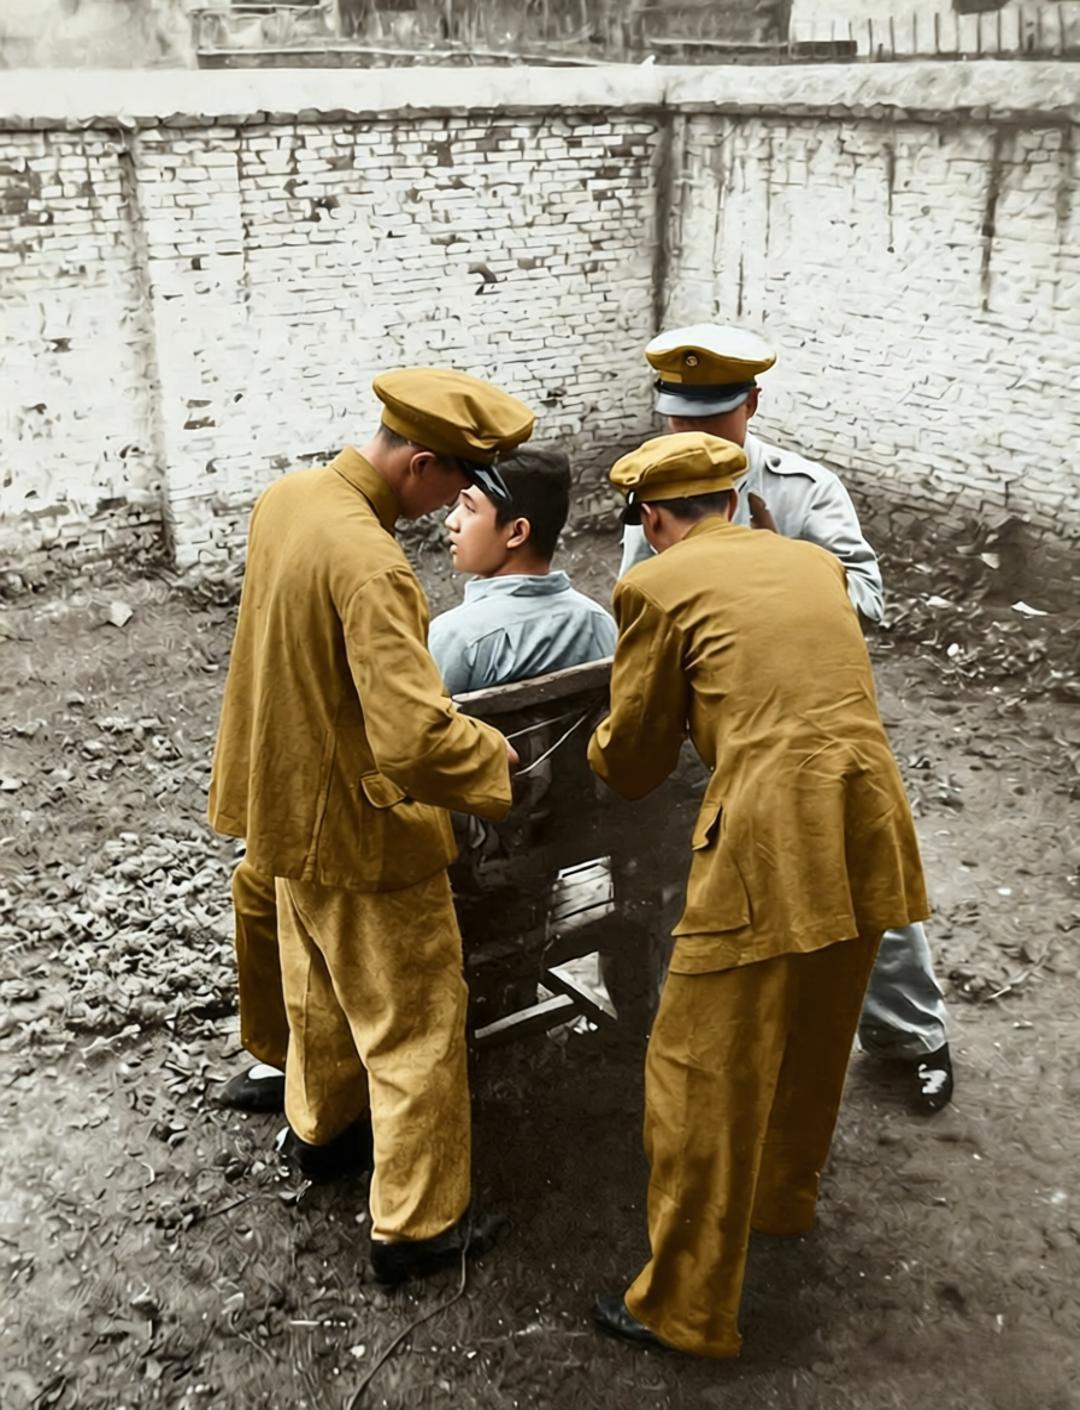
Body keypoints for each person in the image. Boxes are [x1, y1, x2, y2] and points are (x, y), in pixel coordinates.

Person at [588, 431, 929, 1357]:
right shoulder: (812, 565)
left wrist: (600, 747)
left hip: (769, 841)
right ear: (733, 503)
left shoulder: (656, 585)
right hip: (867, 821)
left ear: (652, 518)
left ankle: (684, 1308)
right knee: (816, 1030)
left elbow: (636, 759)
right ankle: (781, 1199)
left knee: (696, 1069)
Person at [208, 367, 532, 1286]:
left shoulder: (289, 499)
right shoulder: (375, 566)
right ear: (420, 462)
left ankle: (323, 1132)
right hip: (360, 828)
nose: (451, 508)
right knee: (415, 1021)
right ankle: (417, 1225)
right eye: (456, 484)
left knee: (317, 983)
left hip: (282, 803)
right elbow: (412, 737)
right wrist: (492, 758)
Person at [621, 323, 952, 1113]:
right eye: (680, 420)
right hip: (706, 723)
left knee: (857, 875)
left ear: (752, 405)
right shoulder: (656, 483)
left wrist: (781, 572)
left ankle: (913, 1034)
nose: (696, 437)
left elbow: (867, 598)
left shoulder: (805, 488)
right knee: (696, 883)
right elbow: (635, 602)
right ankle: (693, 1041)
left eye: (714, 420)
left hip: (799, 715)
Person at [428, 443, 616, 693]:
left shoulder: (454, 638)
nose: (451, 521)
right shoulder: (598, 623)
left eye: (470, 509)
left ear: (517, 532)